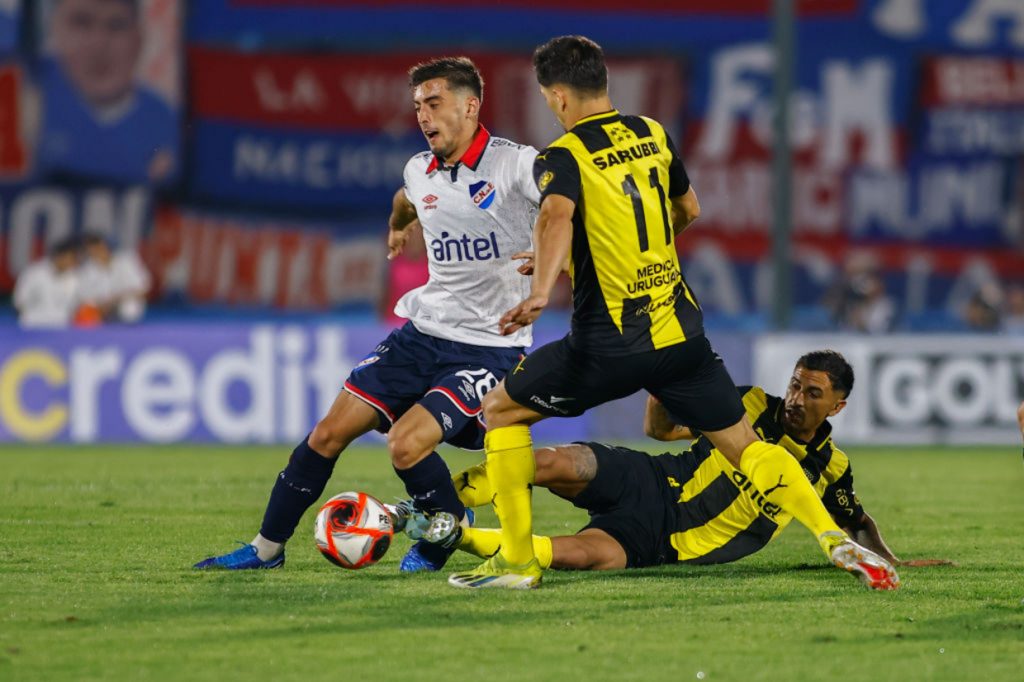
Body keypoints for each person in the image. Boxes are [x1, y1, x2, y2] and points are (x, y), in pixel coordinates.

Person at [448, 35, 894, 590]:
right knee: (749, 449)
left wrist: (542, 287)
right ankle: (830, 537)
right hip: (681, 337)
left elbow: (555, 218)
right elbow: (688, 209)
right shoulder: (651, 133)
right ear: (603, 83)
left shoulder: (562, 156)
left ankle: (516, 561)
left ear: (557, 96)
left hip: (609, 344)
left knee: (503, 413)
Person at [195, 57, 541, 572]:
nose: (424, 116)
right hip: (421, 334)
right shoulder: (418, 169)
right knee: (326, 435)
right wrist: (397, 223)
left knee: (405, 445)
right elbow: (408, 199)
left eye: (435, 103)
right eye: (419, 106)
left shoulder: (516, 165)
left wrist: (551, 253)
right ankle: (266, 550)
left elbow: (566, 205)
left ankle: (444, 535)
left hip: (489, 344)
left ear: (471, 106)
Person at [419, 351, 935, 585]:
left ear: (837, 407)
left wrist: (892, 558)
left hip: (670, 540)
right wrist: (663, 380)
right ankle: (435, 504)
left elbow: (855, 520)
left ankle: (448, 534)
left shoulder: (832, 467)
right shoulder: (750, 404)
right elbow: (662, 429)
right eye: (797, 384)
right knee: (551, 461)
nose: (797, 398)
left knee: (570, 556)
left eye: (813, 392)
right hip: (654, 477)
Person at [37, 0, 177, 185]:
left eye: (116, 26)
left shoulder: (164, 121)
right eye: (82, 23)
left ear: (139, 40)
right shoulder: (22, 100)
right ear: (55, 30)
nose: (99, 44)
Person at [77, 233, 151, 323]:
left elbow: (144, 289)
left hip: (122, 302)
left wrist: (116, 299)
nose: (95, 252)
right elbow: (84, 296)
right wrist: (100, 305)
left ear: (106, 246)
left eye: (98, 247)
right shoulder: (88, 269)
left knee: (130, 308)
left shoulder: (126, 260)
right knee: (86, 309)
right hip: (101, 307)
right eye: (90, 249)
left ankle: (128, 331)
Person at [12, 237, 81, 328]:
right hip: (32, 327)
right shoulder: (34, 273)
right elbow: (19, 301)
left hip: (61, 329)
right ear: (60, 256)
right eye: (71, 258)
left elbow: (75, 306)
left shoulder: (74, 278)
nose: (73, 262)